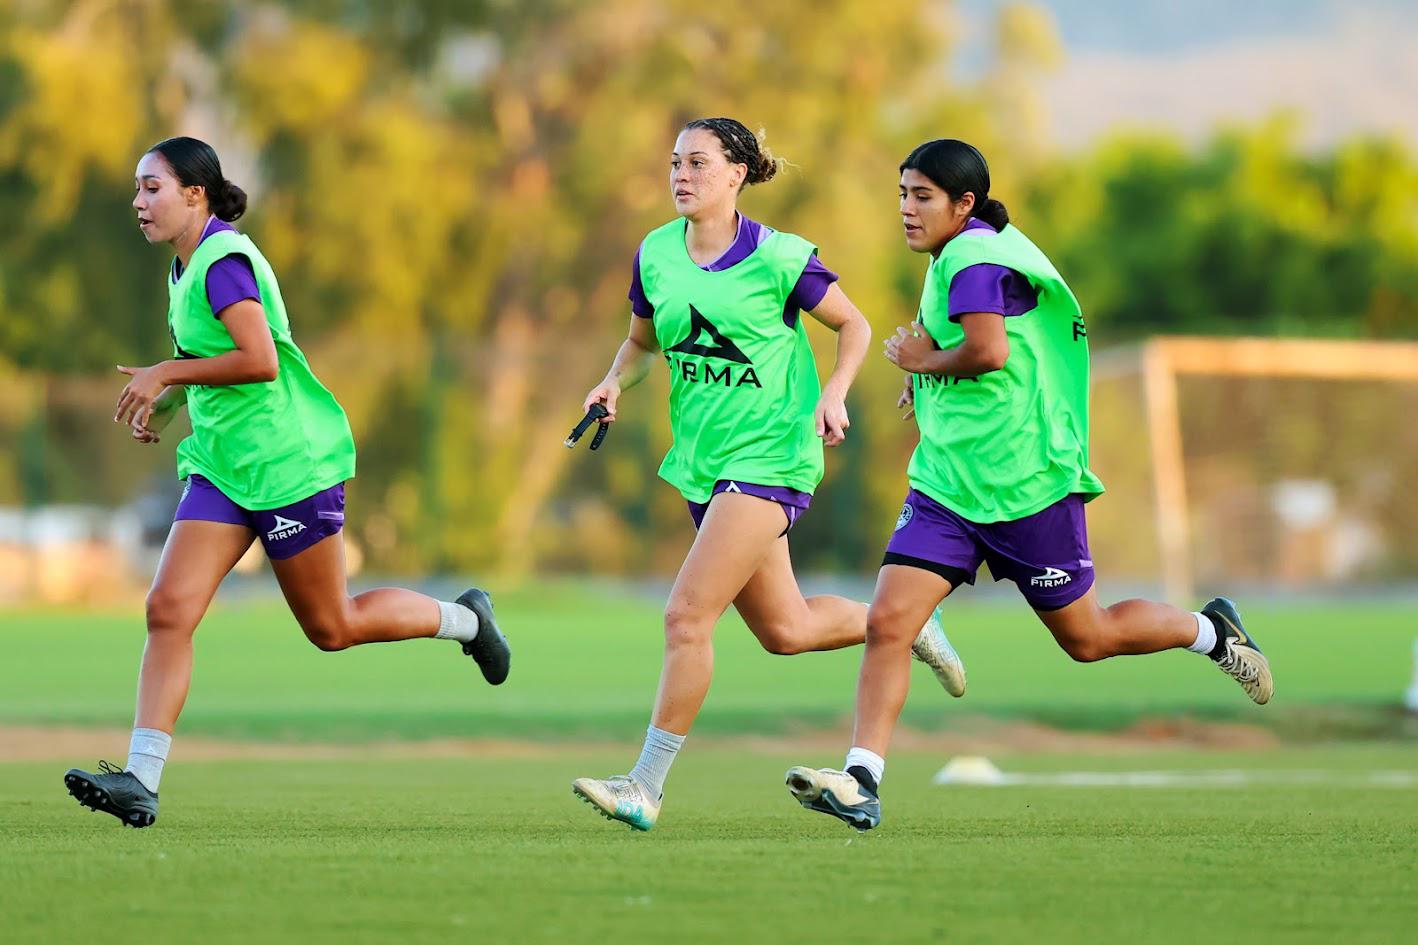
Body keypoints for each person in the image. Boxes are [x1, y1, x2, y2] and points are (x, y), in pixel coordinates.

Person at [786, 138, 1273, 831]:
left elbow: (988, 350)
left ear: (963, 203)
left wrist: (930, 362)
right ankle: (862, 779)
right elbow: (974, 351)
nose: (907, 209)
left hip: (1027, 489)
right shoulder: (962, 253)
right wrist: (925, 376)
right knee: (890, 621)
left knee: (1088, 638)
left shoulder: (976, 257)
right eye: (902, 194)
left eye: (922, 197)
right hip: (950, 487)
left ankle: (1211, 632)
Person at [62, 136, 511, 828]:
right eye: (137, 188)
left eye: (152, 188)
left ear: (195, 195)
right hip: (222, 467)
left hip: (287, 465)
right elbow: (203, 355)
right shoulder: (184, 268)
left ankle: (468, 619)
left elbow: (259, 359)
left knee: (333, 625)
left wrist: (167, 374)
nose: (138, 201)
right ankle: (141, 781)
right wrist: (167, 398)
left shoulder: (223, 262)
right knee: (168, 609)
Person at [570, 118, 966, 832]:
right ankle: (906, 623)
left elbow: (855, 326)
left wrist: (835, 390)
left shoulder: (781, 257)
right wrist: (612, 383)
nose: (681, 175)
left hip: (770, 458)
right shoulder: (656, 252)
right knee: (786, 629)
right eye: (673, 163)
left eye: (697, 162)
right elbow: (639, 342)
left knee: (686, 615)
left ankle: (644, 786)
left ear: (736, 174)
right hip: (703, 462)